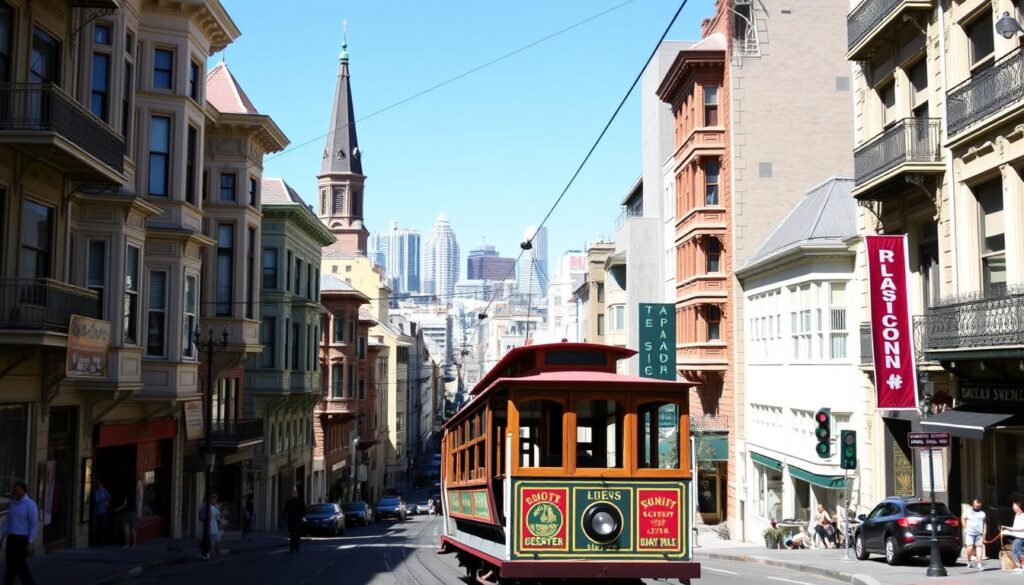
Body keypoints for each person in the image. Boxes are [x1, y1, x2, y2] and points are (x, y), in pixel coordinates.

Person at [1, 480, 38, 585]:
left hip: (22, 539)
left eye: (17, 490)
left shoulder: (30, 505)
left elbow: (34, 523)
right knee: (10, 567)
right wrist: (2, 535)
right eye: (14, 490)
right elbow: (7, 521)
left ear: (24, 491)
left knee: (21, 566)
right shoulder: (12, 503)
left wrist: (30, 542)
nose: (15, 492)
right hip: (12, 538)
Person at [962, 498, 987, 570]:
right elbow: (963, 518)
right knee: (970, 547)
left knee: (979, 547)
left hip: (979, 533)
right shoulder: (968, 511)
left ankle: (979, 563)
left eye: (978, 506)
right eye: (976, 506)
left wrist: (984, 532)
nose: (977, 507)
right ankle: (969, 560)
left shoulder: (982, 513)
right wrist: (965, 527)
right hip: (969, 533)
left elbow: (984, 523)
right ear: (973, 504)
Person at [1001, 499, 1024, 572]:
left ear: (1018, 507)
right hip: (1018, 536)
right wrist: (1007, 531)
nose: (1013, 507)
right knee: (1016, 549)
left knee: (1015, 548)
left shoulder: (1023, 516)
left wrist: (1007, 528)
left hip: (1021, 536)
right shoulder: (1017, 515)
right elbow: (1015, 528)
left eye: (1014, 506)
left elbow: (1021, 528)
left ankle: (1020, 565)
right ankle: (1019, 565)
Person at [198, 494, 222, 560]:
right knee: (212, 543)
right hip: (210, 528)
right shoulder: (207, 507)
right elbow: (200, 517)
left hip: (213, 528)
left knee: (216, 542)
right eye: (213, 499)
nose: (214, 500)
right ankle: (208, 554)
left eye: (215, 499)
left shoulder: (212, 507)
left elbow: (218, 517)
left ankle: (212, 555)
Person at [284, 488, 305, 553]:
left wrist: (284, 516)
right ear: (297, 494)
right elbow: (304, 510)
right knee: (297, 535)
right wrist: (302, 517)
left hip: (291, 520)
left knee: (292, 535)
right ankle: (297, 547)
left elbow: (285, 509)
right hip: (298, 520)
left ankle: (292, 548)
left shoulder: (290, 500)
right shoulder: (301, 501)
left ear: (293, 494)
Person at [91, 480, 111, 547]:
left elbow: (109, 498)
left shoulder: (104, 490)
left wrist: (106, 501)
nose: (99, 485)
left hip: (101, 511)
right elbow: (97, 500)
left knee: (102, 526)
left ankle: (101, 541)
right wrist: (105, 501)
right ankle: (95, 541)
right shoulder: (95, 491)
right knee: (96, 527)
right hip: (97, 511)